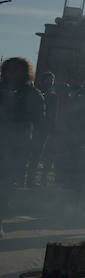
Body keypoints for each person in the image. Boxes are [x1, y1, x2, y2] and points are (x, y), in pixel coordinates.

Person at [0, 58, 44, 237]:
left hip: (16, 146)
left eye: (16, 70)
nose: (12, 73)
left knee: (6, 185)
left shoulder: (32, 93)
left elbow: (39, 120)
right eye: (9, 70)